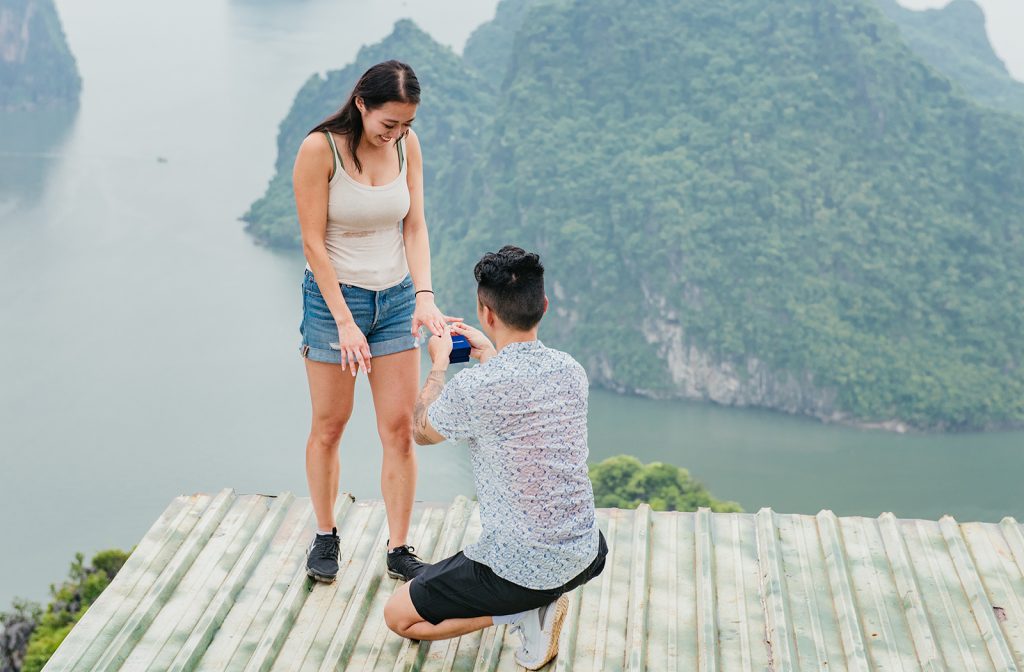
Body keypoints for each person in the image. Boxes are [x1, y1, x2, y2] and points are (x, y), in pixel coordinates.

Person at [382, 246, 608, 670]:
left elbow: (421, 431)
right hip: (587, 553)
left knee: (399, 617)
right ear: (543, 306)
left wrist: (439, 367)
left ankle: (519, 612)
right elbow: (518, 396)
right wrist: (490, 352)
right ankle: (538, 599)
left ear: (486, 314)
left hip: (516, 568)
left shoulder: (476, 389)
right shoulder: (571, 370)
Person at [292, 60, 457, 584]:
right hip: (332, 304)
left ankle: (400, 546)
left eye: (406, 124)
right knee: (330, 425)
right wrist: (343, 320)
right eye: (389, 124)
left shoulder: (408, 146)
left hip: (395, 303)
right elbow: (313, 242)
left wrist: (424, 296)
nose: (397, 134)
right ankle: (325, 534)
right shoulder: (320, 149)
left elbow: (415, 227)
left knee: (400, 430)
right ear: (361, 104)